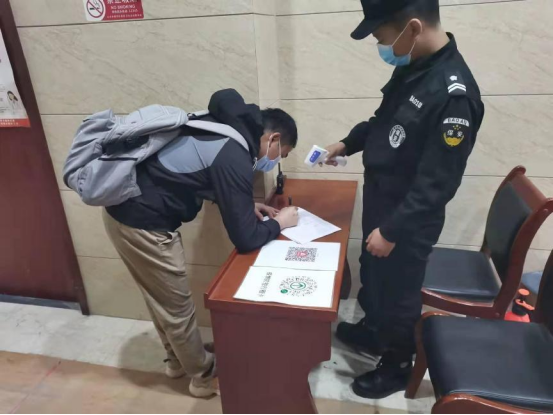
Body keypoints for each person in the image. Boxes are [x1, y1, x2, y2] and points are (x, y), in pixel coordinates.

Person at [324, 0, 485, 399]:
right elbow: (383, 122)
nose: (382, 47)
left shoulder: (454, 95)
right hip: (383, 198)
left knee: (399, 290)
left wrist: (393, 230)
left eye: (383, 38)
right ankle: (374, 331)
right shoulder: (414, 66)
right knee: (374, 275)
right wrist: (348, 143)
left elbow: (437, 184)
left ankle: (397, 364)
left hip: (408, 217)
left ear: (413, 28)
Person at [103, 89, 300, 398]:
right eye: (282, 154)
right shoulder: (233, 153)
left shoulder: (222, 127)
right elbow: (246, 239)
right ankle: (203, 378)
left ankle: (177, 362)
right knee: (176, 307)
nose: (276, 161)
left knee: (161, 300)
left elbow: (197, 172)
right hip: (142, 223)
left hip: (123, 212)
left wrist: (245, 205)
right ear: (273, 139)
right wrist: (280, 223)